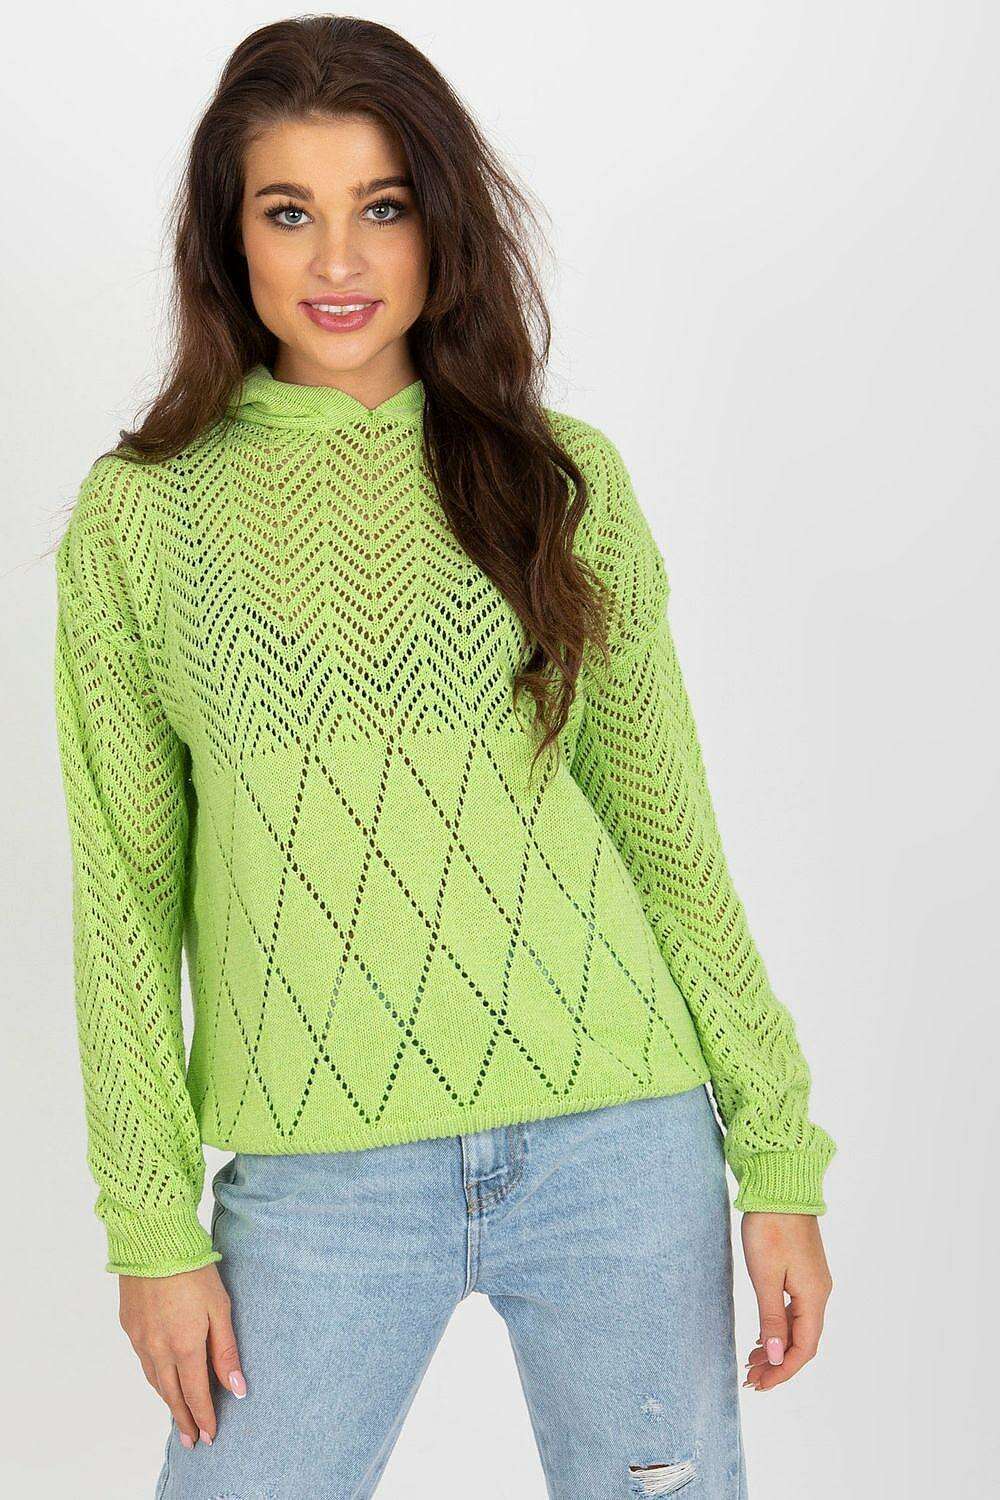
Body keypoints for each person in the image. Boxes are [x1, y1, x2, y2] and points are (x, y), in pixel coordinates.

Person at [51, 15, 836, 1498]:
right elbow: (123, 899)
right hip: (318, 1184)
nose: (339, 261)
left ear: (442, 228)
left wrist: (777, 1158)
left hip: (617, 1142)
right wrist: (149, 1228)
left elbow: (669, 844)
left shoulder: (559, 478)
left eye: (384, 207)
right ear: (229, 238)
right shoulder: (142, 519)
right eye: (290, 213)